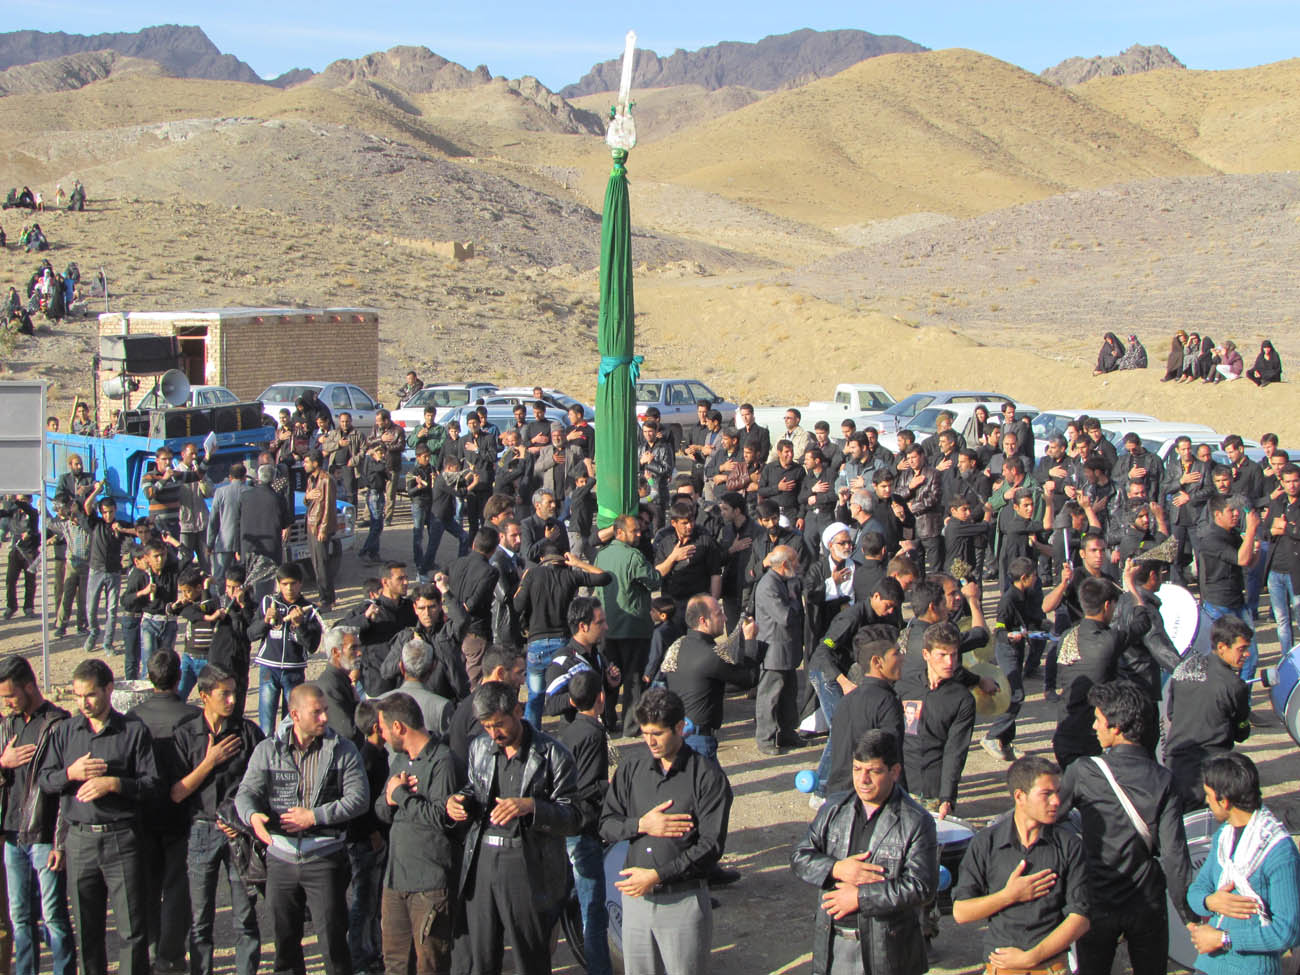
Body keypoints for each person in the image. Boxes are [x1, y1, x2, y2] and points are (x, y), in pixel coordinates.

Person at [1057, 680, 1195, 975]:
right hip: (1147, 901)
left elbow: (1051, 816)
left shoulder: (1083, 771)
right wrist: (1189, 915)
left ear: (1117, 727)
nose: (1094, 726)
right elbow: (1174, 857)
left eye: (1098, 719)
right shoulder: (1164, 780)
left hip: (1097, 899)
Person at [235, 682, 370, 975]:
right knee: (285, 947)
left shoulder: (343, 750)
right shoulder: (267, 750)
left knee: (334, 944)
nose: (325, 718)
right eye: (316, 712)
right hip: (280, 861)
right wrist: (252, 816)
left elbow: (359, 799)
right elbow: (246, 793)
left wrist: (315, 817)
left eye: (325, 711)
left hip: (325, 858)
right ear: (295, 715)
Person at [446, 681, 581, 975]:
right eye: (486, 727)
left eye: (498, 725)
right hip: (483, 861)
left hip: (527, 863)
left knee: (528, 957)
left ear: (518, 711)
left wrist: (532, 807)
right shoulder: (480, 747)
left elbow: (573, 817)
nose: (493, 734)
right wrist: (459, 801)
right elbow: (474, 788)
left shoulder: (553, 755)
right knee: (481, 957)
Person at [36, 658, 158, 975]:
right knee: (87, 932)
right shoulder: (66, 731)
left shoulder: (133, 731)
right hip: (79, 841)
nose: (84, 703)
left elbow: (152, 785)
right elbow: (45, 780)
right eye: (78, 696)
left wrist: (115, 784)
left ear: (108, 689)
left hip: (122, 839)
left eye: (90, 694)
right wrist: (70, 773)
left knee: (132, 930)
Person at [600, 688, 732, 975]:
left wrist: (657, 875)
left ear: (680, 727)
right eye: (645, 733)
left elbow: (711, 846)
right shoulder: (632, 769)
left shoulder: (707, 776)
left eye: (658, 733)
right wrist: (641, 825)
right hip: (636, 903)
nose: (650, 741)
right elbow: (607, 824)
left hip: (682, 902)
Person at [791, 729, 937, 975]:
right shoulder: (835, 809)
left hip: (889, 951)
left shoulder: (916, 821)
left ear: (894, 772)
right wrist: (836, 868)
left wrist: (860, 897)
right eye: (857, 769)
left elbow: (921, 886)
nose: (863, 780)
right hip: (834, 943)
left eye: (873, 771)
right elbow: (800, 856)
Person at [953, 756, 1091, 974]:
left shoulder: (1070, 846)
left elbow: (1080, 917)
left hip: (1050, 968)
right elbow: (961, 912)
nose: (1057, 801)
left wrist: (1031, 958)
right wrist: (1008, 896)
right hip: (1000, 969)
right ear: (1020, 796)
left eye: (1057, 792)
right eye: (1046, 794)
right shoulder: (987, 843)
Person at [170, 665, 265, 975]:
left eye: (234, 693)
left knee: (245, 917)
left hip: (240, 834)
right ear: (204, 696)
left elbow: (264, 785)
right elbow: (176, 793)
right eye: (224, 694)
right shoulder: (186, 735)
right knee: (200, 920)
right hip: (201, 831)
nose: (232, 700)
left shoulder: (248, 734)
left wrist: (240, 820)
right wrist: (209, 762)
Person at [1185, 752, 1300, 975]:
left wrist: (1224, 938)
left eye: (1209, 795)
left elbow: (1287, 931)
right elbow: (1196, 891)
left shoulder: (1279, 851)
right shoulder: (1223, 837)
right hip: (1209, 965)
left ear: (1224, 801)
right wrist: (1210, 902)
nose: (1206, 801)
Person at [373, 692, 462, 975]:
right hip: (395, 882)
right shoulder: (400, 760)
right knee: (395, 965)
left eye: (383, 728)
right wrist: (391, 799)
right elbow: (381, 808)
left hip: (430, 886)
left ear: (398, 727)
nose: (381, 735)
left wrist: (401, 797)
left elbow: (440, 817)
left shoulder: (443, 761)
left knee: (430, 965)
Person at [0, 656, 74, 975]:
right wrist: (3, 763)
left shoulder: (59, 724)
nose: (6, 703)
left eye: (10, 695)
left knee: (53, 917)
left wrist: (60, 842)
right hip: (12, 835)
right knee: (19, 917)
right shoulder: (8, 726)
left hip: (44, 835)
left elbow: (66, 790)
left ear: (29, 687)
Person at [126, 650, 198, 975]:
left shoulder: (133, 718)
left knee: (148, 887)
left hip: (143, 814)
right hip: (181, 814)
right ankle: (171, 956)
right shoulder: (193, 717)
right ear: (179, 677)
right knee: (176, 888)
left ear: (149, 677)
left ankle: (153, 948)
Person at [513, 542, 611, 728]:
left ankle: (532, 736)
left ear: (542, 559)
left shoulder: (532, 575)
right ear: (563, 558)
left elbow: (517, 605)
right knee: (569, 692)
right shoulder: (569, 575)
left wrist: (523, 582)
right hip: (562, 644)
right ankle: (571, 730)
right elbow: (604, 577)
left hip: (536, 643)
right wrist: (578, 563)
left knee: (535, 696)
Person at [555, 671, 613, 975]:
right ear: (600, 698)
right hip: (584, 829)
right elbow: (589, 786)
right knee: (593, 912)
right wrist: (610, 788)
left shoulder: (568, 731)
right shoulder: (593, 734)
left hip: (565, 826)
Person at [1165, 614, 1253, 810]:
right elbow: (1242, 732)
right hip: (1211, 774)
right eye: (1242, 649)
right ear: (1222, 647)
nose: (1247, 654)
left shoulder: (1184, 669)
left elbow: (1171, 714)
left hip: (1175, 764)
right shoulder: (1234, 686)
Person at [662, 594, 759, 760]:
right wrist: (750, 639)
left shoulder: (678, 646)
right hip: (698, 741)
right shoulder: (710, 655)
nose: (725, 618)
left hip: (678, 735)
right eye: (719, 614)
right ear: (703, 621)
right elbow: (749, 678)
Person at [894, 622, 974, 818]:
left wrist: (947, 797)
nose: (950, 662)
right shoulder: (903, 688)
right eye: (942, 655)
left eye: (954, 655)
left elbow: (955, 751)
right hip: (899, 784)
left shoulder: (962, 699)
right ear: (926, 654)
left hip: (933, 790)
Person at [596, 514, 662, 737]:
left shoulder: (602, 555)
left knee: (610, 678)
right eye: (634, 531)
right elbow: (654, 580)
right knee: (633, 680)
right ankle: (631, 726)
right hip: (633, 627)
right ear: (619, 532)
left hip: (607, 627)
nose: (640, 533)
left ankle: (608, 720)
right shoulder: (634, 556)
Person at [250, 563, 324, 733]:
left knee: (290, 723)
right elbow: (251, 634)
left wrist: (299, 625)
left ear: (300, 583)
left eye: (293, 584)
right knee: (266, 724)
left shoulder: (310, 610)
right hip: (269, 668)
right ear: (278, 584)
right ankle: (266, 749)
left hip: (294, 670)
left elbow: (312, 646)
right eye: (284, 584)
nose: (289, 588)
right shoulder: (268, 603)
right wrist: (265, 621)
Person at [1265, 463, 1300, 655]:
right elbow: (1264, 530)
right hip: (1275, 570)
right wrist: (1273, 530)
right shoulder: (1277, 503)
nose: (1292, 485)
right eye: (1288, 482)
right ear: (1282, 483)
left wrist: (1285, 528)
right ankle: (1287, 658)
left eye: (1295, 481)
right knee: (1282, 620)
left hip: (1296, 571)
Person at [303, 450, 339, 611]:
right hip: (311, 524)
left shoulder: (326, 480)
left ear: (315, 463)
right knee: (317, 564)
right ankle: (327, 597)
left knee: (321, 564)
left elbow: (329, 507)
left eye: (307, 462)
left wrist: (323, 529)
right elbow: (307, 501)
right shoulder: (311, 479)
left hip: (319, 526)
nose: (304, 465)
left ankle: (326, 600)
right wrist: (307, 496)